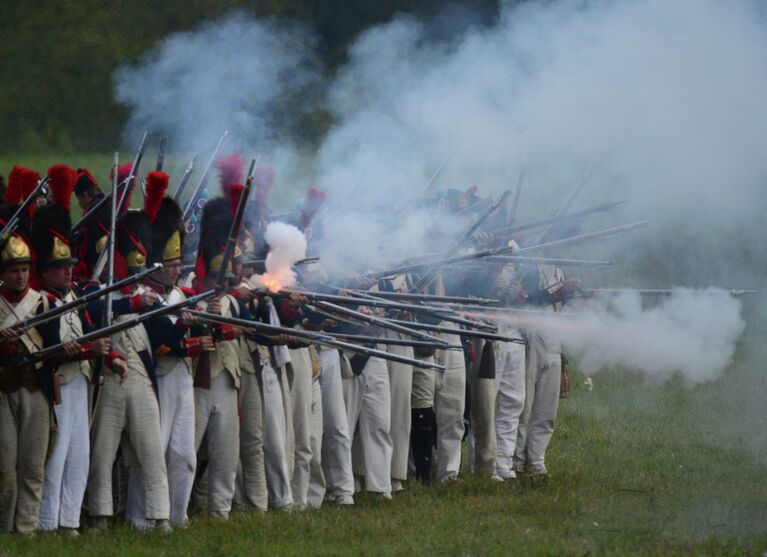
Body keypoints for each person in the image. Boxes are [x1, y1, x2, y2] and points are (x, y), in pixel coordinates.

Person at [125, 172, 213, 529]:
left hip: (182, 378)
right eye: (173, 265)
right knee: (152, 450)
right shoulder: (147, 299)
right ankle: (139, 516)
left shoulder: (178, 295)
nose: (179, 270)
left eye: (179, 265)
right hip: (157, 375)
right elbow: (161, 342)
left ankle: (179, 516)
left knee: (184, 453)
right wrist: (189, 337)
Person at [32, 164, 111, 535]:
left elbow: (91, 330)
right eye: (61, 266)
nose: (68, 271)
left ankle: (70, 519)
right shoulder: (41, 303)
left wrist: (108, 354)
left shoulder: (73, 296)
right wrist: (84, 352)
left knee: (80, 452)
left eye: (69, 265)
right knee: (57, 454)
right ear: (45, 270)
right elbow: (50, 346)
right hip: (58, 383)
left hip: (80, 381)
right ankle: (48, 522)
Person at [87, 185, 171, 532]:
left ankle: (160, 516)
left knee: (152, 453)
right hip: (108, 381)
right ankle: (100, 516)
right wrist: (131, 304)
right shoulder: (97, 290)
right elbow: (95, 311)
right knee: (101, 456)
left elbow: (166, 334)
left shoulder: (147, 294)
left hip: (140, 378)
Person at [0, 194, 50, 534]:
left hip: (36, 386)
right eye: (15, 270)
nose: (21, 276)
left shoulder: (42, 302)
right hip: (3, 390)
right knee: (5, 470)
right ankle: (4, 529)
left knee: (32, 468)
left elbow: (58, 344)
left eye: (25, 270)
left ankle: (27, 530)